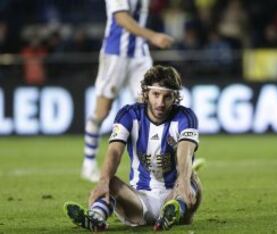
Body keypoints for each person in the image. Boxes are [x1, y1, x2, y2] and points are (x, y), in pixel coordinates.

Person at [65, 65, 202, 231]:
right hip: (138, 201)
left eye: (167, 97)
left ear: (175, 97)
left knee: (191, 178)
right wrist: (103, 182)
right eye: (156, 94)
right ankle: (96, 217)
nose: (160, 103)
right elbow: (115, 151)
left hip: (175, 192)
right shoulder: (128, 115)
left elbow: (185, 152)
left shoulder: (186, 116)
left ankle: (173, 211)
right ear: (146, 93)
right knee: (109, 180)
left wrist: (184, 182)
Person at [82, 0, 174, 182]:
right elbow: (121, 18)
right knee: (101, 112)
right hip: (115, 54)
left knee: (151, 107)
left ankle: (156, 164)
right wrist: (153, 36)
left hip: (140, 55)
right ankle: (89, 163)